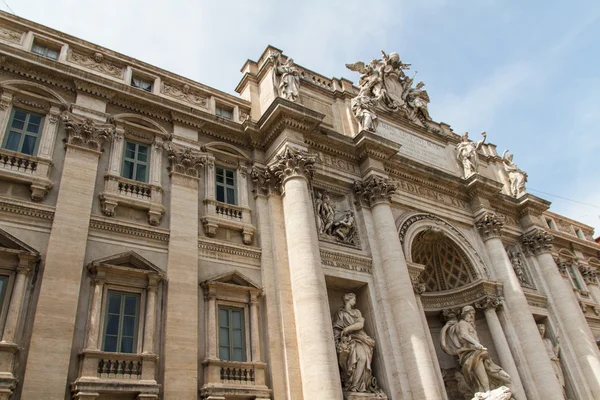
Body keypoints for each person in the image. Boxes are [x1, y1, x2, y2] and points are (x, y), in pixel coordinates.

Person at [441, 306, 511, 394]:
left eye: (472, 314)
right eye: (470, 314)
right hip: (471, 352)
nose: (471, 317)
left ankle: (489, 391)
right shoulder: (462, 323)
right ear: (465, 314)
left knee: (506, 377)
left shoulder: (469, 325)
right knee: (482, 377)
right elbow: (464, 335)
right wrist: (477, 344)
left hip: (479, 351)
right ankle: (487, 393)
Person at [332, 293, 383, 394]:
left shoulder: (356, 312)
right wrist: (338, 338)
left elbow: (361, 324)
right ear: (348, 300)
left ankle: (359, 385)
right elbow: (336, 328)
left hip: (360, 338)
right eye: (353, 299)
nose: (355, 301)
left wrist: (348, 328)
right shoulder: (340, 313)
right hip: (348, 340)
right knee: (353, 360)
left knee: (363, 358)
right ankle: (352, 385)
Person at [538, 323, 566, 398]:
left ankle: (562, 395)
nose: (542, 331)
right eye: (540, 330)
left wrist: (558, 343)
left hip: (554, 361)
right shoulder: (538, 342)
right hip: (548, 363)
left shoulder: (548, 341)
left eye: (543, 330)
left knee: (559, 378)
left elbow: (555, 352)